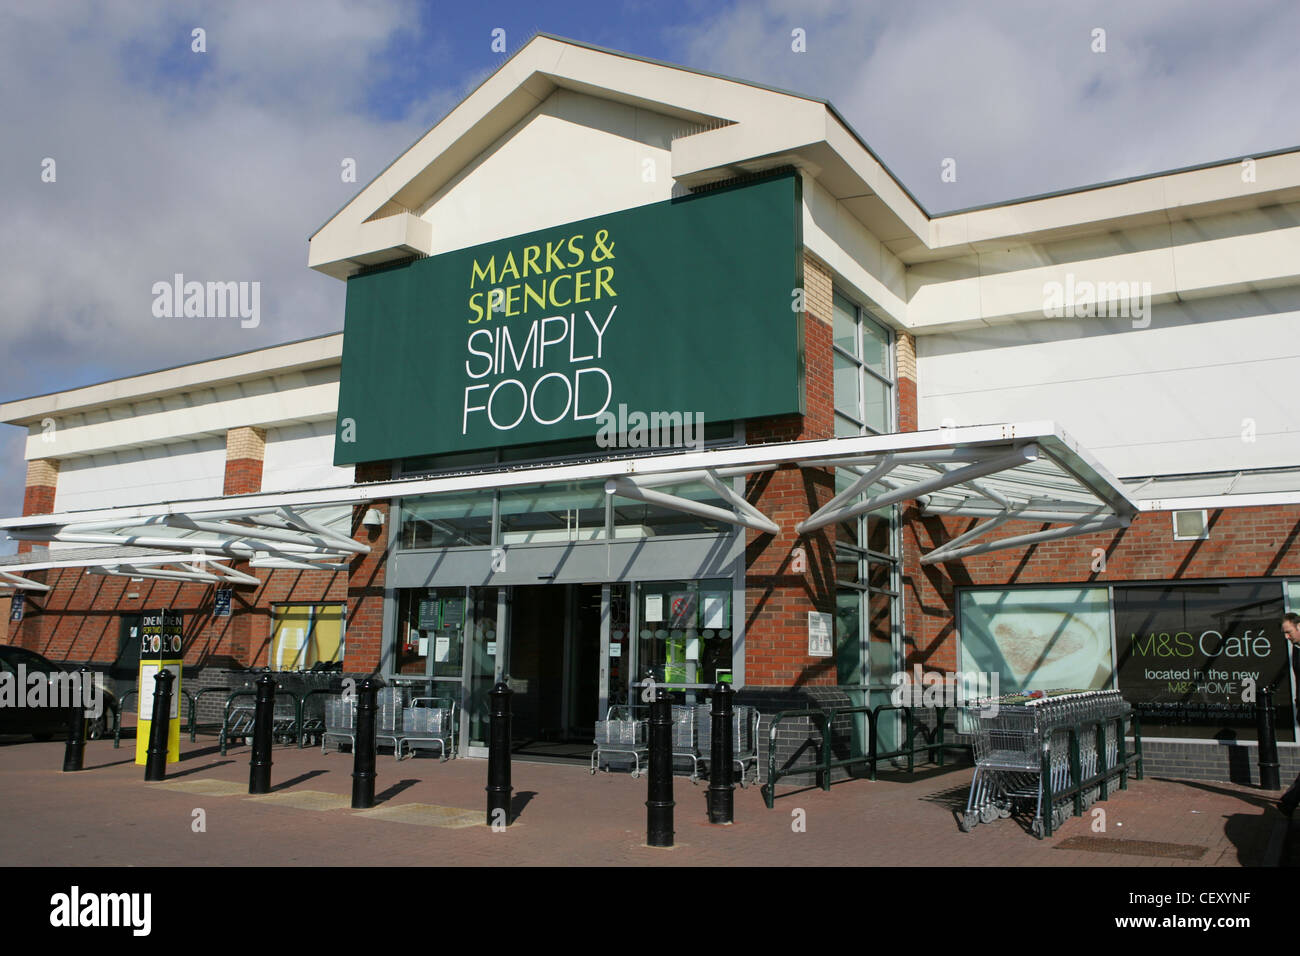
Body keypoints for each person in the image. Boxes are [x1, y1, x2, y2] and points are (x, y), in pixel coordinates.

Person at [1280, 612, 1300, 816]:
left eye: (1288, 632)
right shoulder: (1296, 649)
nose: (1287, 637)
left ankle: (1289, 801)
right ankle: (1289, 801)